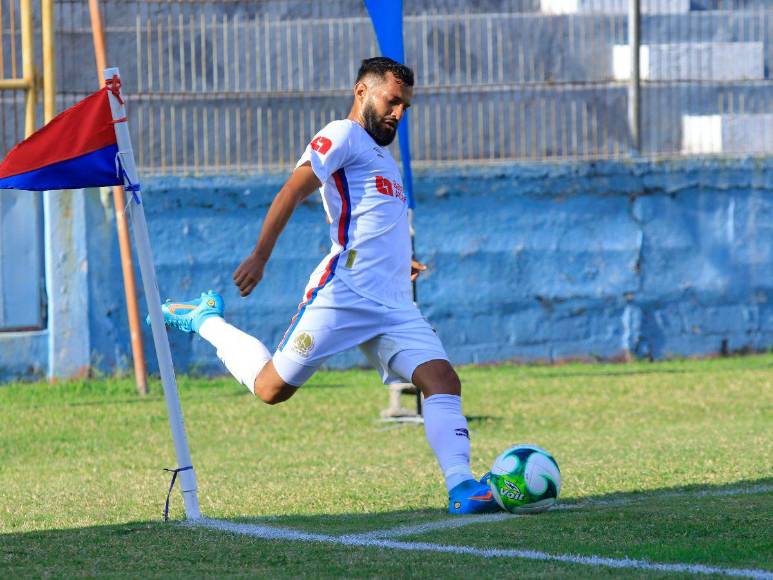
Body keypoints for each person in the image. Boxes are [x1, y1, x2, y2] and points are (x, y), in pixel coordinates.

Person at [158, 57, 498, 515]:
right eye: (392, 101)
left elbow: (373, 220)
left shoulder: (384, 158)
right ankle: (204, 320)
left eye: (406, 106)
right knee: (271, 389)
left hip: (393, 301)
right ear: (363, 92)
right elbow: (292, 190)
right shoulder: (342, 134)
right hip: (345, 293)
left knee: (442, 381)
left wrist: (400, 261)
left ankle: (463, 488)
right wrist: (260, 255)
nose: (399, 112)